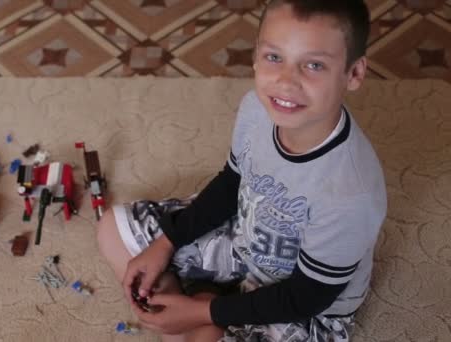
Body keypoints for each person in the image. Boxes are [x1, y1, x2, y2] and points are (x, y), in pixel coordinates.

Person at [97, 0, 387, 341]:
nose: (285, 82)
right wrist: (167, 242)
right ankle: (199, 311)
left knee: (202, 325)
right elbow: (232, 182)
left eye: (313, 65)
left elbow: (306, 297)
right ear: (256, 55)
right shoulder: (256, 108)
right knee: (110, 229)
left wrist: (201, 312)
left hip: (305, 306)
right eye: (274, 57)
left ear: (354, 73)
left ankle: (198, 312)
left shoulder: (352, 192)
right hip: (245, 237)